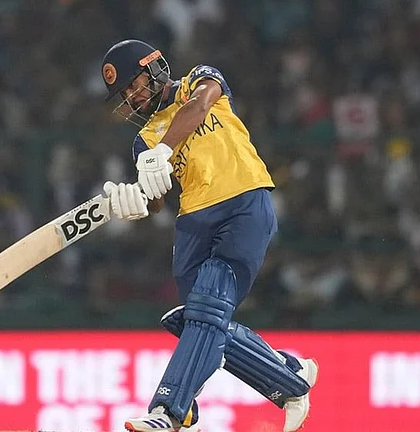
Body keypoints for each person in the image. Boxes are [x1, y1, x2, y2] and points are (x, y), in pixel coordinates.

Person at [99, 40, 318, 432]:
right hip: (193, 225)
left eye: (134, 84)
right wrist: (131, 201)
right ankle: (289, 376)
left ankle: (170, 411)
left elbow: (199, 107)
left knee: (205, 312)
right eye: (125, 94)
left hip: (244, 204)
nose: (132, 96)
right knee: (197, 320)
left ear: (155, 69)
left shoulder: (198, 81)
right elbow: (156, 200)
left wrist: (164, 150)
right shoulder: (143, 139)